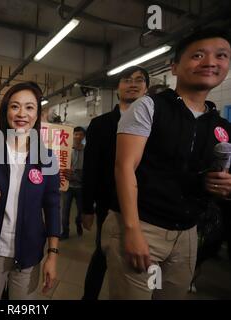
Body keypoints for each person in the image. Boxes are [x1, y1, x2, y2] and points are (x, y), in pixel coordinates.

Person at [106, 27, 231, 299]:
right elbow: (124, 167)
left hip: (186, 234)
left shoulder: (219, 125)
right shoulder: (150, 107)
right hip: (143, 224)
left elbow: (202, 176)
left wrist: (218, 184)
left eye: (221, 56)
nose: (210, 62)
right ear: (174, 67)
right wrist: (132, 230)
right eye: (198, 55)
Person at [0, 82, 61, 300]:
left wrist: (52, 255)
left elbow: (53, 206)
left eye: (29, 107)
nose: (21, 114)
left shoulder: (46, 159)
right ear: (6, 111)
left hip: (28, 253)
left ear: (37, 115)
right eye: (15, 106)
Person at [81, 66, 149, 300]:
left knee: (142, 258)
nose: (133, 84)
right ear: (118, 87)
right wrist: (86, 208)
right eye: (127, 79)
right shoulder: (100, 124)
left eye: (139, 80)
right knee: (102, 253)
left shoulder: (156, 123)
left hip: (147, 205)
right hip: (108, 202)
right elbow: (89, 168)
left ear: (146, 88)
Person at [60, 126, 86, 239]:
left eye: (80, 134)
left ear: (84, 136)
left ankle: (78, 222)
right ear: (72, 135)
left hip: (81, 186)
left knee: (81, 211)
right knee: (65, 212)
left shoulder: (87, 150)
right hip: (68, 186)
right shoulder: (67, 150)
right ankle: (65, 232)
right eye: (76, 134)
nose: (78, 136)